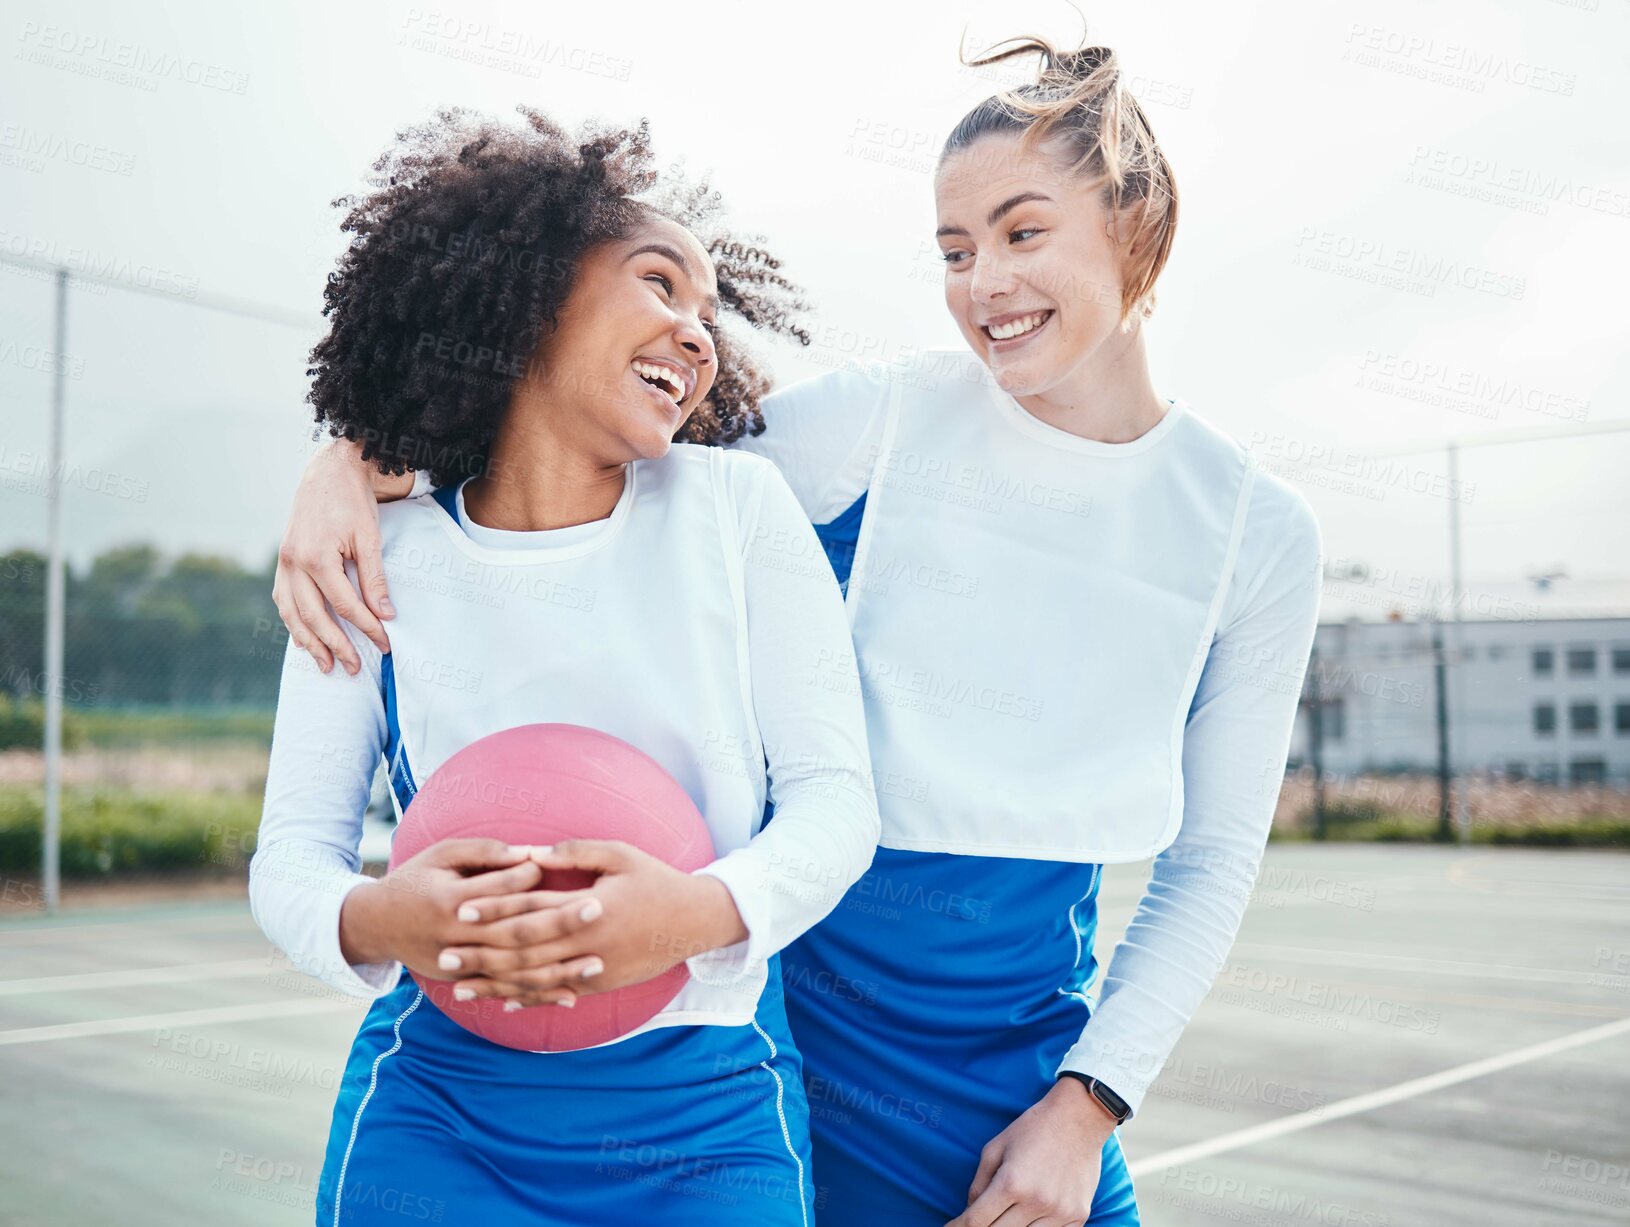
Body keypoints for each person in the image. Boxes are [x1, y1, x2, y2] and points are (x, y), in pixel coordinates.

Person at [271, 39, 1323, 1227]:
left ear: (1136, 223)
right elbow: (575, 454)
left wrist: (1086, 1112)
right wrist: (355, 454)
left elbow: (1214, 861)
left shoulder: (1255, 535)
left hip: (1014, 1087)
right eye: (953, 250)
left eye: (1023, 234)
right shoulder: (873, 425)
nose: (984, 282)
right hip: (766, 1048)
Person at [250, 106, 880, 1227]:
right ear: (526, 284)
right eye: (658, 284)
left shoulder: (735, 509)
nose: (699, 335)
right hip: (442, 1112)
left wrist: (691, 915)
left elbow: (836, 805)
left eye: (709, 316)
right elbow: (291, 857)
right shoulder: (375, 555)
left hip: (707, 1115)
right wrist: (384, 922)